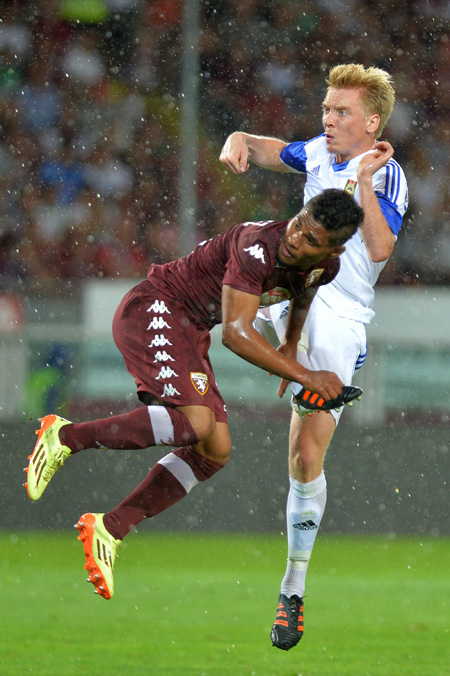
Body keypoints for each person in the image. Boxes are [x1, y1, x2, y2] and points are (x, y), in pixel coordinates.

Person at [25, 188, 364, 601]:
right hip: (156, 308)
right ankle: (64, 437)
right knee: (198, 423)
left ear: (334, 249)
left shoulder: (324, 267)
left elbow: (304, 291)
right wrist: (307, 376)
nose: (296, 240)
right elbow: (237, 336)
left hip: (189, 330)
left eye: (311, 240)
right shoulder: (257, 245)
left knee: (214, 451)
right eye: (298, 225)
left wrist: (291, 343)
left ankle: (110, 527)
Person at [219, 63, 408, 651]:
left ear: (372, 121)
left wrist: (367, 185)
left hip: (344, 317)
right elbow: (274, 149)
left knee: (304, 460)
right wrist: (240, 139)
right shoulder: (319, 153)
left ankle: (292, 591)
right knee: (239, 266)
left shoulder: (390, 172)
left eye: (341, 111)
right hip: (300, 289)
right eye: (326, 109)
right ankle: (281, 360)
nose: (327, 119)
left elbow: (379, 249)